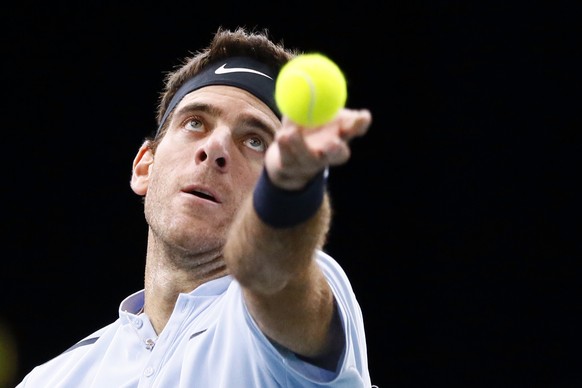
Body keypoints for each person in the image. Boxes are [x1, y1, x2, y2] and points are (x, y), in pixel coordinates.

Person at [17, 26, 373, 387]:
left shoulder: (281, 311)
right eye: (195, 122)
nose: (215, 148)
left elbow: (277, 277)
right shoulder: (52, 379)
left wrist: (287, 195)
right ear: (145, 166)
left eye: (254, 140)